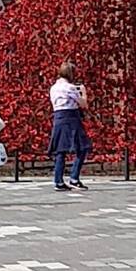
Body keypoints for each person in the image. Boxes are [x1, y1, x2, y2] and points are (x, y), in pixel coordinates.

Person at [49, 62, 92, 191]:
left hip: (58, 117)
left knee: (60, 150)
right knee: (82, 147)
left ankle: (58, 180)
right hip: (71, 117)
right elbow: (83, 104)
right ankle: (74, 178)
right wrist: (83, 92)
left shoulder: (54, 87)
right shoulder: (70, 88)